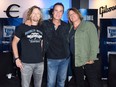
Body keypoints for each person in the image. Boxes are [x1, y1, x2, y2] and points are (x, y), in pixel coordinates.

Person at [67, 8, 102, 87]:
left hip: (87, 59)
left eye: (74, 13)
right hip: (76, 59)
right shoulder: (70, 29)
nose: (72, 15)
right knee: (79, 82)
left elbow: (94, 42)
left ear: (78, 14)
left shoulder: (88, 25)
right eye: (70, 15)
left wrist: (92, 57)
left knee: (93, 82)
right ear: (69, 18)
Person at [12, 6, 44, 87]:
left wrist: (42, 56)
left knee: (38, 85)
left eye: (38, 13)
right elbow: (14, 43)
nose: (36, 15)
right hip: (26, 64)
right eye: (34, 13)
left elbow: (41, 43)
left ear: (40, 16)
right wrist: (16, 59)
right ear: (30, 14)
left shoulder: (42, 28)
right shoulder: (22, 27)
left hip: (39, 63)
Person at [43, 3, 70, 87]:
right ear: (52, 12)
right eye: (56, 10)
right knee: (50, 83)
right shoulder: (44, 24)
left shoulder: (66, 26)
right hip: (51, 59)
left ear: (63, 13)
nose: (58, 13)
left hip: (65, 59)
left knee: (61, 82)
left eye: (60, 11)